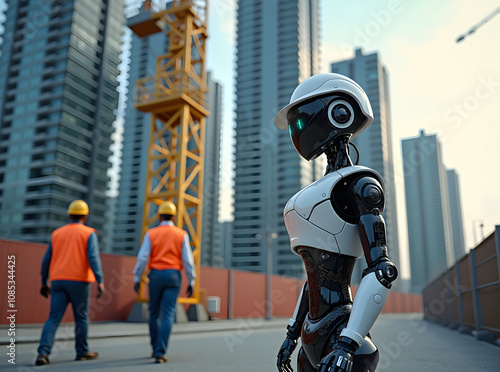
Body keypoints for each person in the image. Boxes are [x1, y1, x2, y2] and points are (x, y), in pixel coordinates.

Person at [274, 74, 398, 372]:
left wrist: (347, 344)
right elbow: (313, 280)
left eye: (299, 120)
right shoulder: (326, 186)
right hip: (313, 334)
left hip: (342, 335)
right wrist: (292, 335)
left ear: (339, 112)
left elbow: (381, 270)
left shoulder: (360, 184)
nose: (296, 129)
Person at [36, 200, 105, 366]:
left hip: (58, 281)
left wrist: (43, 281)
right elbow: (93, 258)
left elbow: (46, 261)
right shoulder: (89, 233)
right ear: (85, 216)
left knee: (53, 318)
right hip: (79, 282)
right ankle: (82, 352)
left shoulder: (57, 233)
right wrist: (100, 280)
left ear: (69, 215)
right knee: (81, 318)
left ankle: (43, 353)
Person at [133, 201, 196, 364]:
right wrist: (192, 281)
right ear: (174, 217)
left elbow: (142, 258)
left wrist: (137, 278)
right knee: (168, 314)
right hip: (173, 276)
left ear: (159, 216)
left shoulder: (151, 233)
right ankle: (161, 351)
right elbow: (188, 261)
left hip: (155, 275)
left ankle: (154, 348)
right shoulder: (181, 234)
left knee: (153, 313)